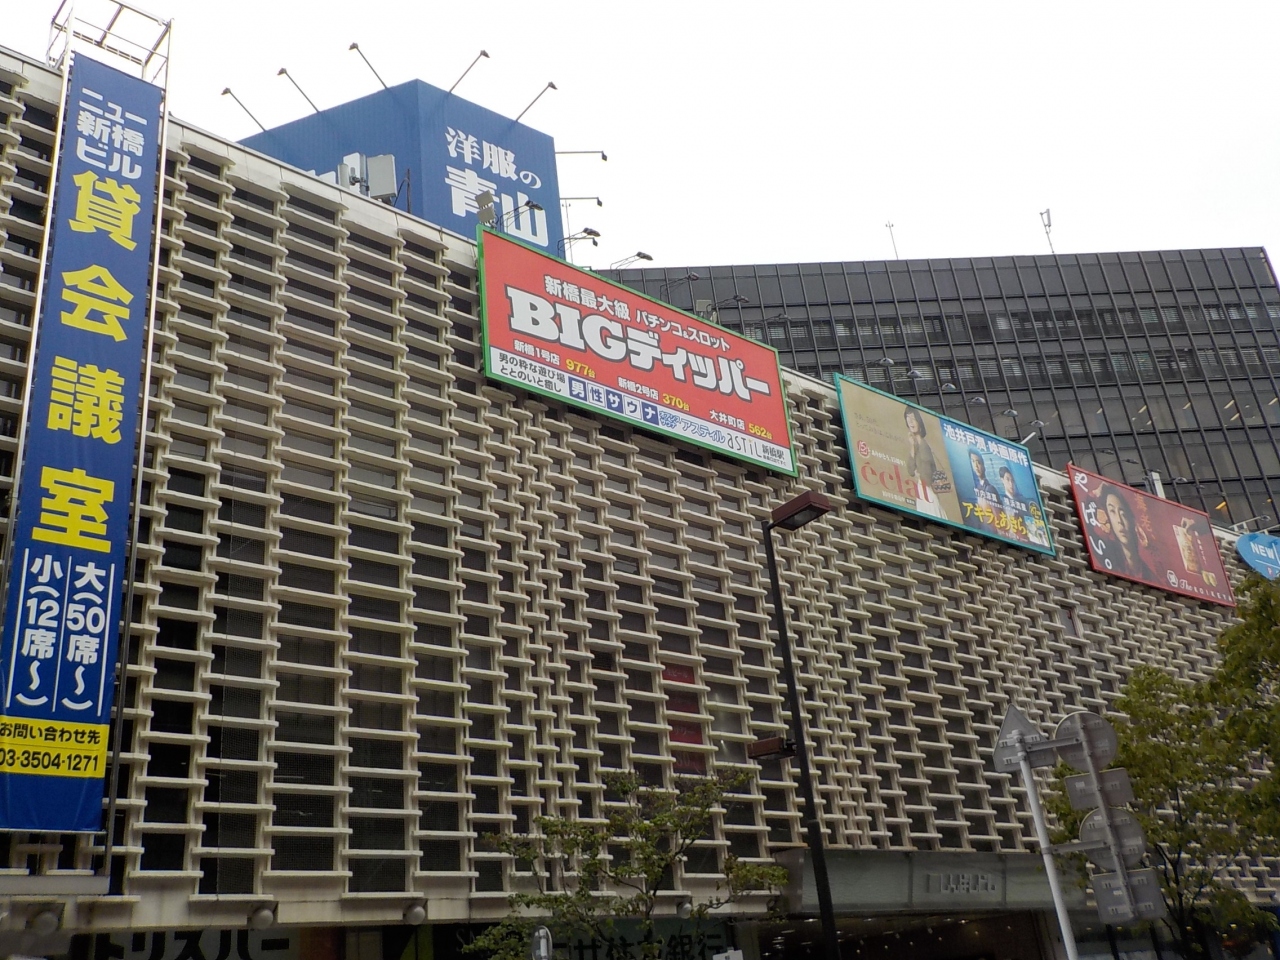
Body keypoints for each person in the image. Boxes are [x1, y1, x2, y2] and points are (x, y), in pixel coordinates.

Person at [1100, 483, 1156, 581]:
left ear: (1132, 521)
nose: (1119, 521)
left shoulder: (1149, 575)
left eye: (1123, 514)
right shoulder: (1110, 559)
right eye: (1112, 512)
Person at [902, 407, 945, 518]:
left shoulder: (924, 445)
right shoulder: (915, 445)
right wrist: (912, 446)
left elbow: (928, 470)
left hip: (928, 489)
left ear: (919, 421)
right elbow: (911, 470)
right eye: (908, 418)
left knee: (932, 515)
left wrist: (922, 477)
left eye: (913, 418)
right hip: (922, 489)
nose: (911, 422)